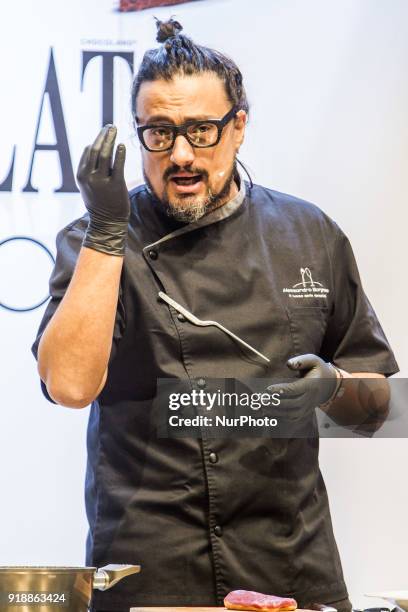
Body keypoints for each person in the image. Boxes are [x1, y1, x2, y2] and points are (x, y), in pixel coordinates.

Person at [32, 18, 398, 612]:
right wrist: (105, 231)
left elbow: (379, 406)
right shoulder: (96, 239)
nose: (180, 154)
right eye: (158, 133)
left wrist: (332, 388)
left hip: (290, 567)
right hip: (149, 575)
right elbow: (70, 386)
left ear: (239, 127)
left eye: (201, 130)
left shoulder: (309, 234)